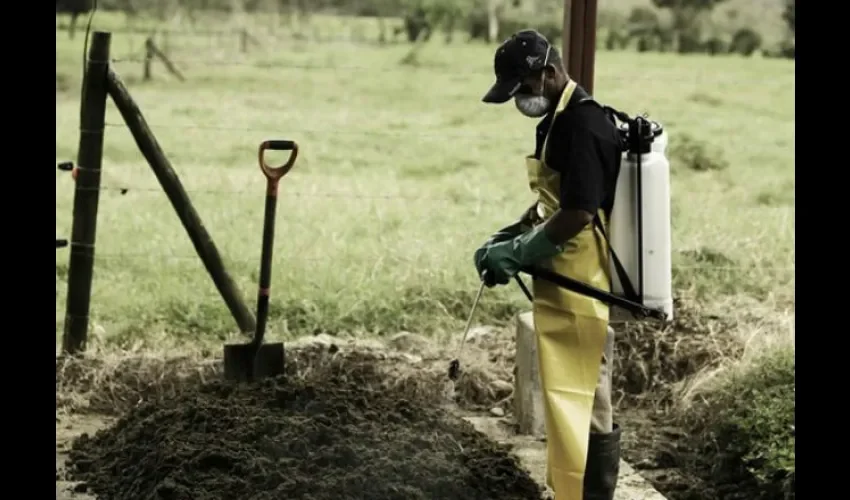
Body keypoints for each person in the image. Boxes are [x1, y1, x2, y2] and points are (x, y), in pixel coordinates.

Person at [473, 29, 622, 500]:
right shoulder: (556, 122)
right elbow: (553, 201)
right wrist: (512, 233)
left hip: (583, 276)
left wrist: (520, 252)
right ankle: (570, 490)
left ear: (550, 72)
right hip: (562, 271)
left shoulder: (583, 126)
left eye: (522, 87)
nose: (520, 99)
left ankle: (591, 493)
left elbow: (578, 213)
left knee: (586, 390)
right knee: (567, 391)